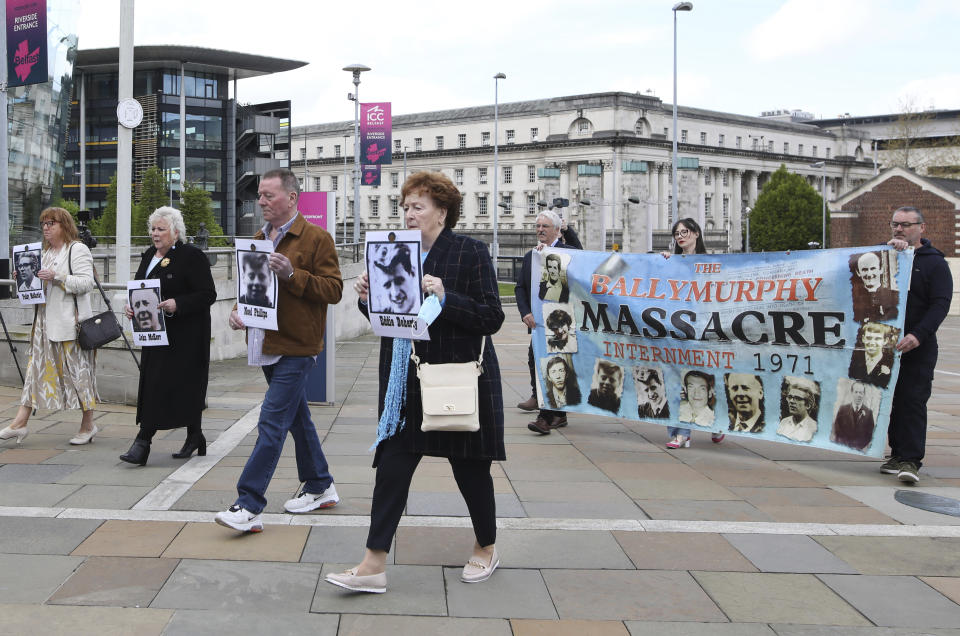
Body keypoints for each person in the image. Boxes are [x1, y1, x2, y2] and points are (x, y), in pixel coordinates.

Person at [327, 170, 504, 594]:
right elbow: (390, 322)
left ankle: (486, 546)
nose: (408, 214)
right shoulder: (392, 254)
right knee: (392, 469)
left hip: (456, 378)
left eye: (417, 206)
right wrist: (368, 300)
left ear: (442, 212)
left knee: (471, 472)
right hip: (406, 383)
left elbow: (492, 317)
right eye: (405, 207)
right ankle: (373, 564)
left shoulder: (470, 252)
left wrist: (446, 297)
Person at [215, 169, 343, 532]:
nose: (262, 202)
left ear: (291, 198)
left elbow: (333, 290)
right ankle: (320, 484)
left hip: (298, 346)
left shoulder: (316, 238)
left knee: (271, 421)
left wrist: (292, 274)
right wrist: (241, 312)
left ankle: (248, 504)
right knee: (297, 420)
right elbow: (252, 291)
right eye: (260, 195)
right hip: (266, 343)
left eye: (269, 195)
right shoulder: (258, 238)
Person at [119, 207, 216, 466]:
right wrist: (131, 306)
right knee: (155, 384)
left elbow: (208, 294)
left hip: (185, 337)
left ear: (176, 232)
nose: (155, 234)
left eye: (161, 229)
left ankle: (143, 442)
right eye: (153, 229)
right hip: (153, 335)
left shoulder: (191, 256)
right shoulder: (150, 255)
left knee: (182, 385)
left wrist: (178, 304)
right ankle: (195, 436)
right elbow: (141, 288)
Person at [0, 208, 99, 447]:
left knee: (78, 375)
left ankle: (88, 425)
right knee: (34, 372)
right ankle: (19, 423)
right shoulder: (42, 253)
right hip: (43, 323)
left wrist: (57, 276)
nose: (46, 228)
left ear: (64, 225)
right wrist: (24, 280)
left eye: (51, 223)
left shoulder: (76, 249)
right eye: (43, 223)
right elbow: (38, 289)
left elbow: (88, 283)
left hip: (70, 324)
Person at [880, 206, 952, 484]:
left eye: (907, 225)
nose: (900, 229)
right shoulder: (885, 256)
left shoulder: (934, 263)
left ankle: (910, 459)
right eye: (896, 224)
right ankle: (896, 454)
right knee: (891, 401)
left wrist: (918, 335)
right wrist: (888, 253)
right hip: (885, 344)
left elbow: (940, 304)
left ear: (922, 228)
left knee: (912, 400)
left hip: (917, 345)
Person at [662, 218, 725, 447]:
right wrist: (664, 263)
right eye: (677, 233)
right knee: (678, 380)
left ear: (697, 233)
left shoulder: (711, 262)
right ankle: (681, 433)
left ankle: (718, 422)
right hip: (678, 331)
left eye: (685, 232)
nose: (680, 236)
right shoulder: (672, 262)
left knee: (707, 379)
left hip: (705, 331)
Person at [516, 210, 580, 434]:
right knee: (536, 362)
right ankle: (558, 414)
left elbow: (583, 257)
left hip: (561, 323)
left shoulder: (568, 252)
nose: (540, 230)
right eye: (538, 226)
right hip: (537, 324)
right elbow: (520, 288)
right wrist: (525, 312)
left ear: (556, 229)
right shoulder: (530, 256)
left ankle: (545, 416)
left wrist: (566, 231)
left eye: (545, 226)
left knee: (554, 366)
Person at [851, 251, 899, 323]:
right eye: (864, 270)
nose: (869, 274)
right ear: (858, 272)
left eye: (873, 269)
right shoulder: (852, 299)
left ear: (881, 269)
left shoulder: (895, 297)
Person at [370, 243, 418, 314]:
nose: (395, 293)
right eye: (387, 285)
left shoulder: (429, 306)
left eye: (399, 281)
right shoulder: (382, 312)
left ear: (413, 273)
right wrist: (364, 300)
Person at [848, 322, 895, 388]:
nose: (872, 343)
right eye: (869, 338)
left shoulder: (891, 363)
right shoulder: (853, 360)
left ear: (885, 341)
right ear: (863, 338)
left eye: (877, 339)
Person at [832, 381, 875, 451]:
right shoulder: (842, 409)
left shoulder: (869, 413)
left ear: (864, 394)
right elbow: (837, 430)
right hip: (843, 447)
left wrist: (857, 447)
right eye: (856, 392)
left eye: (861, 393)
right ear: (852, 393)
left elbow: (869, 435)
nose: (858, 395)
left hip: (858, 449)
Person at [676, 370, 716, 444]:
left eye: (702, 388)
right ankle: (682, 434)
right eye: (691, 387)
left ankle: (719, 429)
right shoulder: (679, 410)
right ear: (685, 390)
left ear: (709, 393)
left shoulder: (714, 416)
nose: (696, 393)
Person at [777, 377, 819, 442]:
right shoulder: (783, 422)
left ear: (808, 405)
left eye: (797, 398)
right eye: (790, 397)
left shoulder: (814, 428)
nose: (791, 401)